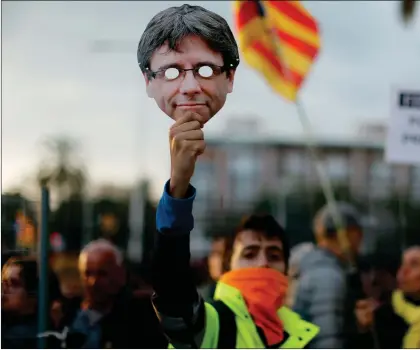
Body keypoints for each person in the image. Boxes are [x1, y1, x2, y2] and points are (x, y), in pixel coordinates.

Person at [141, 5, 319, 348]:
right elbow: (173, 299)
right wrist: (177, 189)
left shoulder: (307, 335)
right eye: (250, 253)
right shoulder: (211, 327)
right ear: (226, 266)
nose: (263, 262)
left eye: (274, 254)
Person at [292, 202, 366, 348]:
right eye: (358, 233)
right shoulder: (327, 276)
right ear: (346, 234)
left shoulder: (312, 267)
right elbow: (327, 338)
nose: (360, 241)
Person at [68, 239, 166, 348]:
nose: (93, 282)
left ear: (120, 274)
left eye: (102, 274)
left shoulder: (141, 316)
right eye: (87, 274)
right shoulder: (68, 314)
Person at [1, 256, 64, 348]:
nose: (4, 289)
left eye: (14, 284)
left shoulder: (31, 336)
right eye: (4, 283)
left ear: (34, 294)